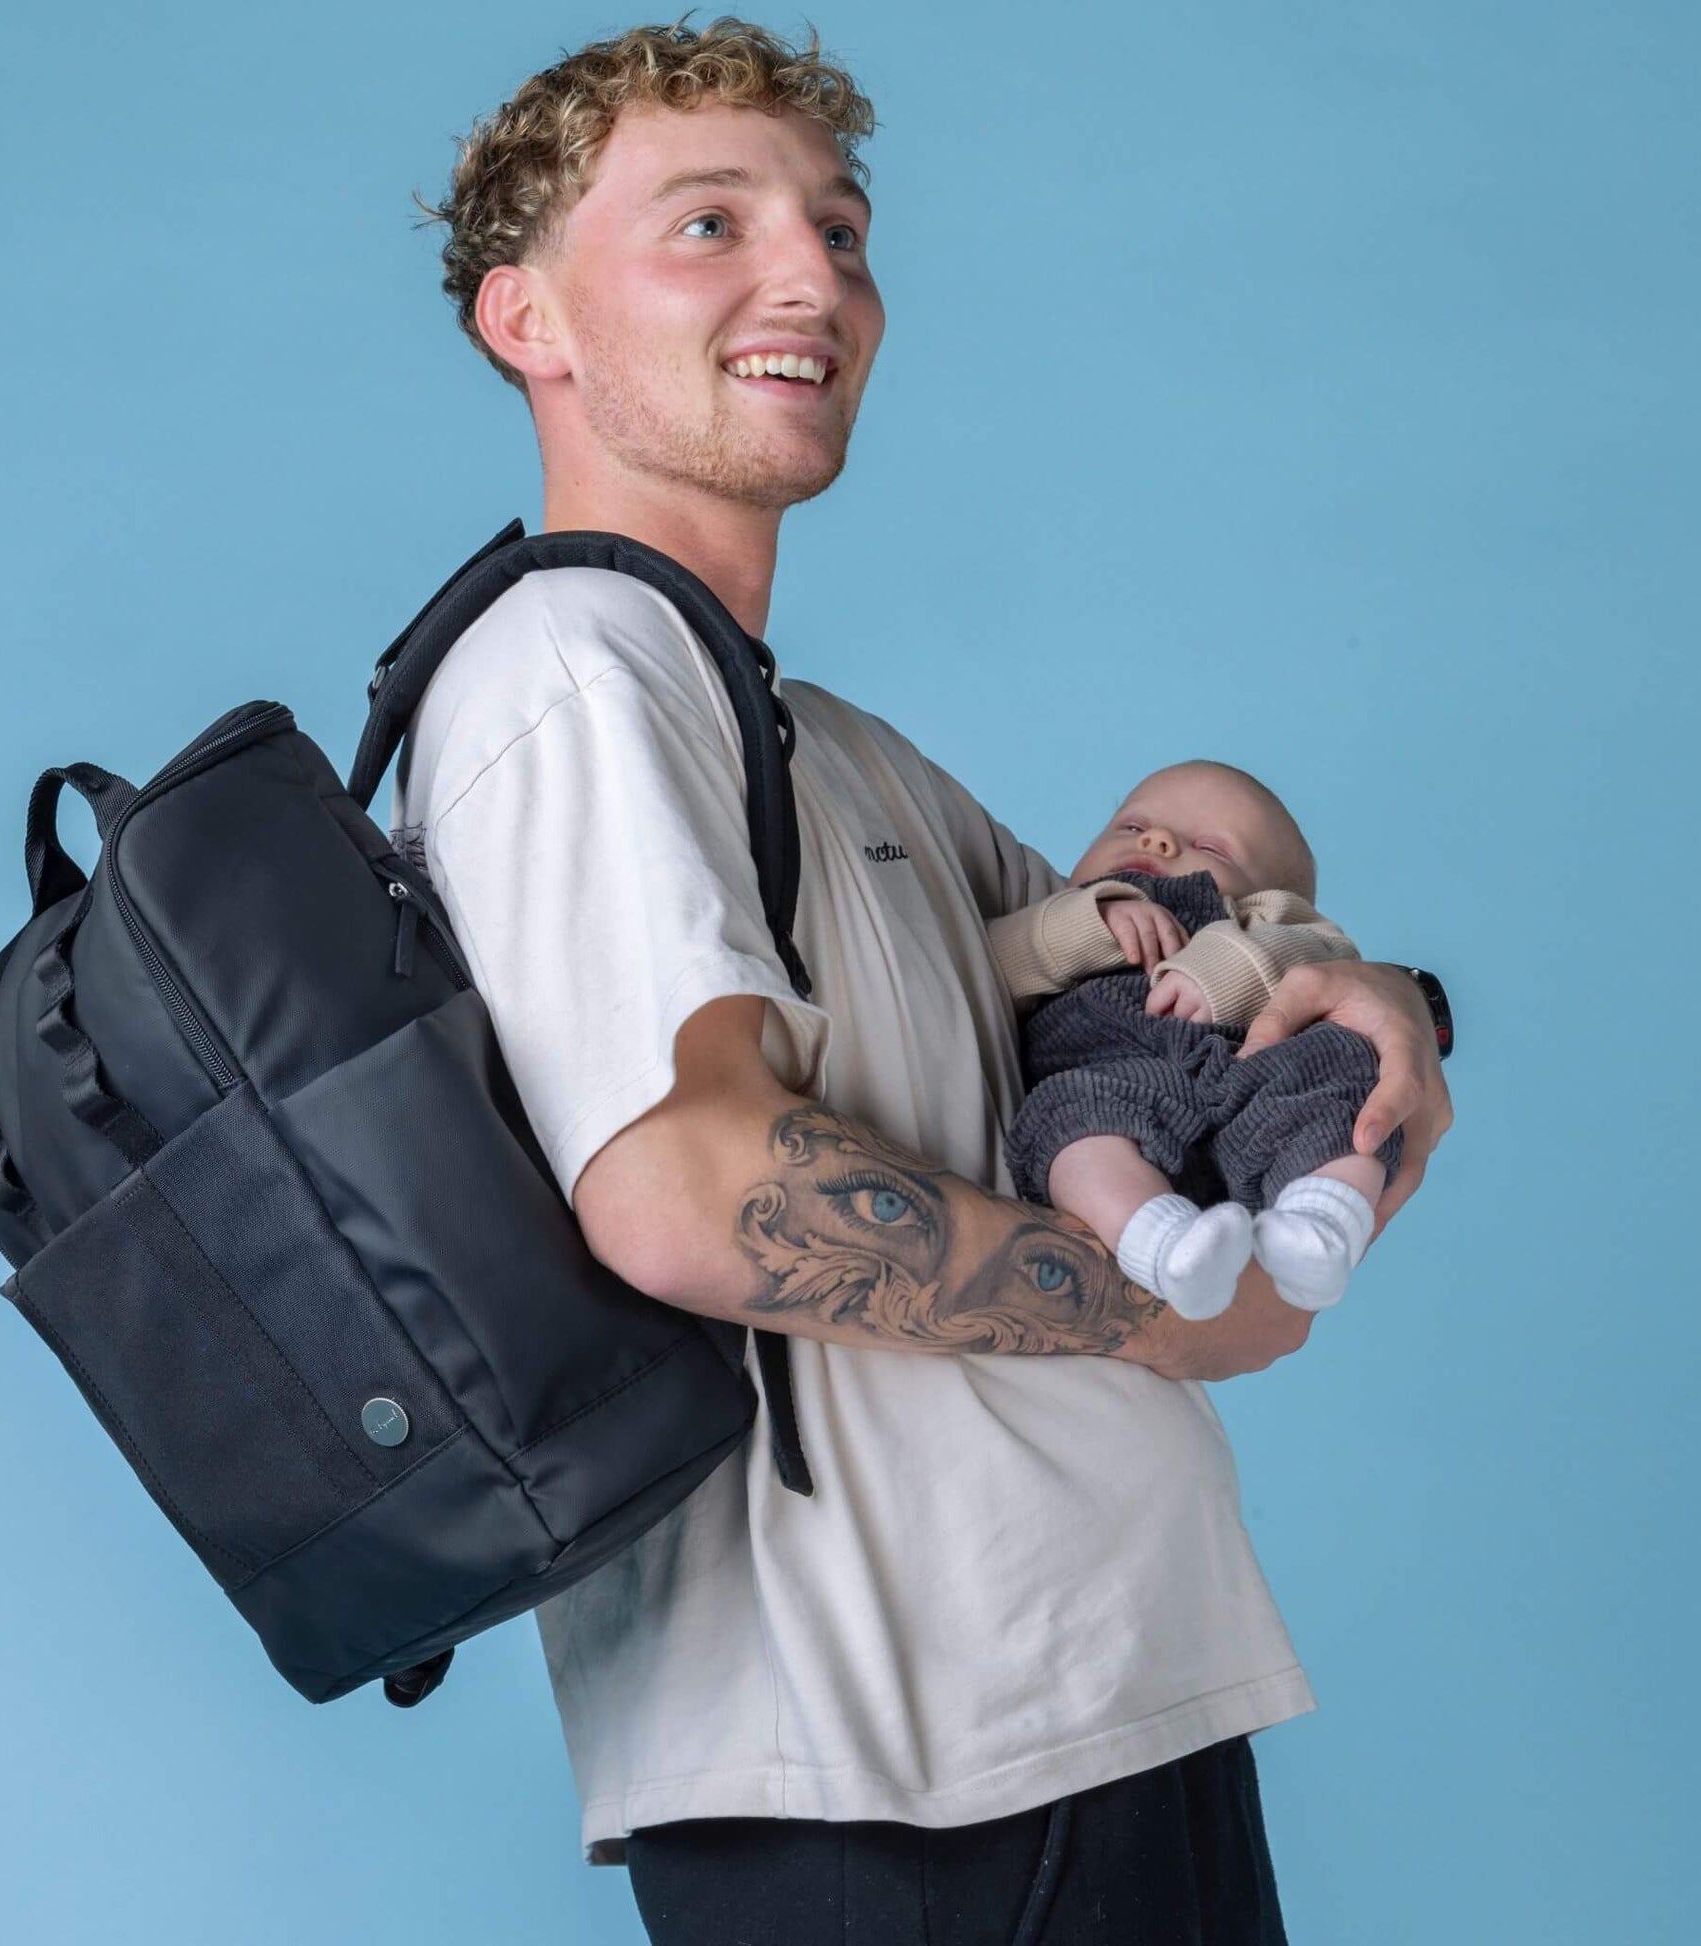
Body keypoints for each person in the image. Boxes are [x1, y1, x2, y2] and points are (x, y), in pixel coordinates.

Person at [394, 20, 1453, 1943]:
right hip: (908, 1771)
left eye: (842, 228)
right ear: (526, 320)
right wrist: (1150, 1317)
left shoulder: (833, 748)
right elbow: (687, 1191)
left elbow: (1169, 1026)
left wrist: (1380, 1012)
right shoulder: (571, 673)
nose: (812, 276)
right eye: (707, 224)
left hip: (1093, 1694)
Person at [991, 761, 1403, 1321]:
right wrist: (1090, 921)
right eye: (1131, 827)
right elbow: (996, 963)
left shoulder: (1265, 917)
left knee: (1348, 1066)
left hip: (1251, 1076)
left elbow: (1325, 954)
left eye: (1210, 847)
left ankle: (1318, 1227)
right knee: (1065, 1120)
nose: (1158, 841)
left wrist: (1224, 969)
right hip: (1113, 1080)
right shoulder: (1059, 912)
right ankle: (1166, 1245)